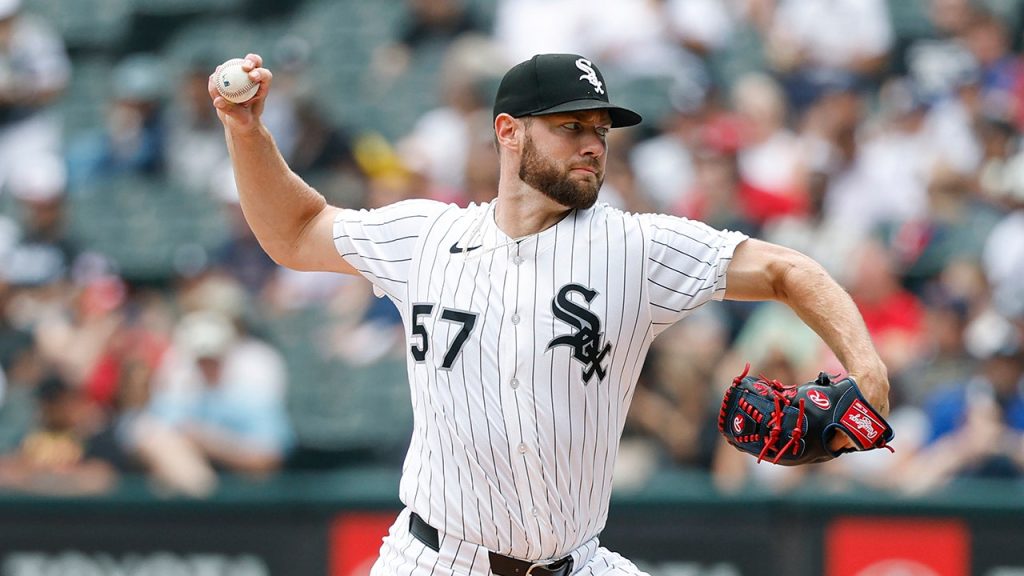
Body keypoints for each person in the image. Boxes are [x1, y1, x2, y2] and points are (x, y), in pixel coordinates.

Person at [209, 52, 891, 576]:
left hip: (576, 561)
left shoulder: (634, 247)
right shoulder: (425, 237)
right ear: (508, 132)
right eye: (571, 127)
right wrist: (245, 131)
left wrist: (867, 371)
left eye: (600, 129)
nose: (593, 143)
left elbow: (786, 270)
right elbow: (294, 232)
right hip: (436, 560)